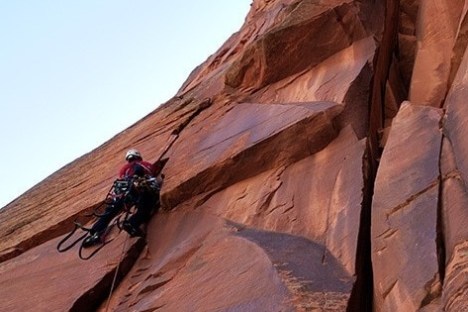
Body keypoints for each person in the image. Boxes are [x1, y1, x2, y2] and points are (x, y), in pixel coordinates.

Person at [82, 149, 162, 247]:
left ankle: (96, 231)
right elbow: (148, 171)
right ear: (138, 156)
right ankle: (132, 223)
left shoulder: (124, 169)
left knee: (111, 210)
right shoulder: (143, 164)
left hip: (124, 192)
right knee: (146, 204)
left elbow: (123, 178)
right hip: (140, 187)